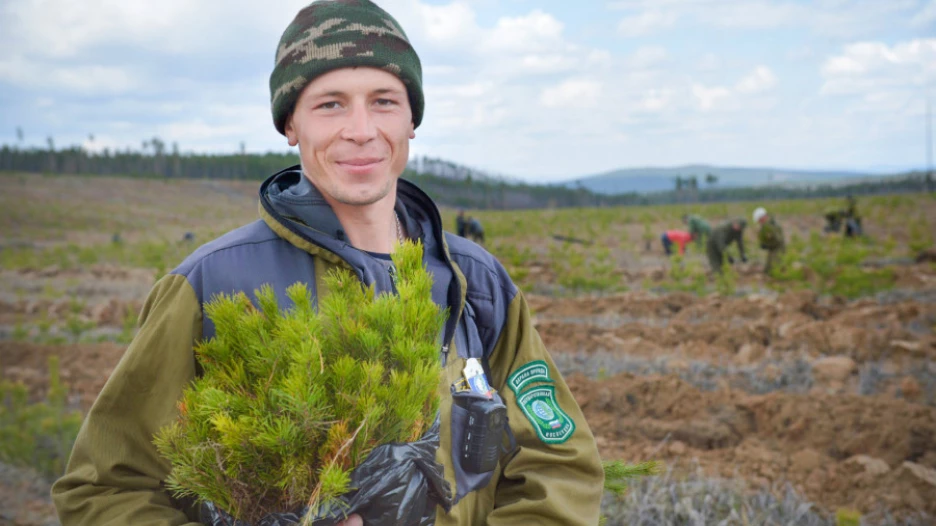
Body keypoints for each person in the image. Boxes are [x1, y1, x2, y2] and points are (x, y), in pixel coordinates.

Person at [51, 2, 604, 525]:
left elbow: (558, 465)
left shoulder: (475, 282)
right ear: (291, 125)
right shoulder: (212, 285)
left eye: (384, 100)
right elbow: (106, 489)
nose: (361, 130)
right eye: (330, 103)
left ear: (412, 119)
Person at [753, 207, 784, 275]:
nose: (759, 223)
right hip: (773, 249)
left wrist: (766, 245)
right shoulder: (768, 225)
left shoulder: (771, 225)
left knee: (774, 269)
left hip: (778, 250)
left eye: (759, 220)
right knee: (767, 269)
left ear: (763, 218)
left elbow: (778, 240)